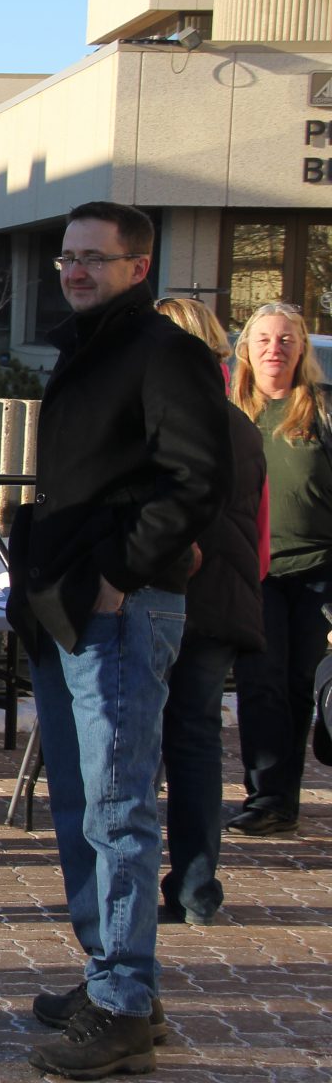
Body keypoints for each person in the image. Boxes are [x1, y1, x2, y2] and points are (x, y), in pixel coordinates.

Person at [9, 201, 228, 1079]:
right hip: (70, 600)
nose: (74, 270)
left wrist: (124, 572)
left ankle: (124, 1003)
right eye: (67, 257)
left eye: (95, 258)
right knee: (80, 803)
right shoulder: (90, 347)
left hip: (121, 609)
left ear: (140, 267)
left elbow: (197, 477)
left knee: (117, 807)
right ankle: (113, 975)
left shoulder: (165, 351)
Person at [149, 298, 266, 924]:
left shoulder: (164, 419)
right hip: (225, 601)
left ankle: (138, 886)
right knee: (194, 745)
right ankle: (197, 888)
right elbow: (261, 530)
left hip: (166, 595)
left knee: (138, 745)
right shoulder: (242, 425)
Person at [226, 300, 332, 840]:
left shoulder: (320, 408)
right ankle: (265, 797)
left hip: (318, 569)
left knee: (299, 686)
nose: (275, 349)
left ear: (302, 349)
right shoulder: (229, 409)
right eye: (264, 339)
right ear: (246, 348)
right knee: (260, 683)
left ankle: (283, 799)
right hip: (253, 570)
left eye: (287, 339)